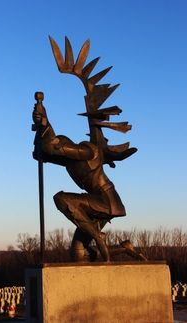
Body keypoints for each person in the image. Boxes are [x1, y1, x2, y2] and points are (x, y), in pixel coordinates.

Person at [32, 92, 128, 262]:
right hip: (93, 204)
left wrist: (46, 122)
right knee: (78, 253)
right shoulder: (71, 161)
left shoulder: (87, 151)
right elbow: (43, 153)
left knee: (61, 199)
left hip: (106, 201)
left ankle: (98, 237)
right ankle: (125, 248)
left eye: (61, 145)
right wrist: (41, 128)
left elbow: (52, 146)